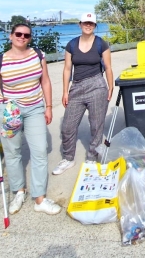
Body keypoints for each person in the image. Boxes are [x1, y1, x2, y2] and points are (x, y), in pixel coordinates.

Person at [0, 23, 61, 216]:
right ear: (10, 36)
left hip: (34, 108)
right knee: (13, 152)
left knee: (40, 150)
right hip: (10, 111)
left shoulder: (38, 55)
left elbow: (45, 81)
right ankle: (19, 191)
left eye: (26, 35)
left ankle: (39, 198)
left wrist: (49, 106)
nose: (22, 37)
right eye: (18, 34)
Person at [52, 12, 114, 175]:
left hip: (97, 85)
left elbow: (108, 67)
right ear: (80, 24)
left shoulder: (102, 44)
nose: (88, 25)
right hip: (77, 87)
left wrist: (110, 87)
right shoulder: (71, 45)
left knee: (96, 125)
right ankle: (68, 158)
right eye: (85, 23)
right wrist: (65, 91)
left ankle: (92, 157)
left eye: (91, 23)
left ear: (94, 26)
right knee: (67, 126)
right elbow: (67, 69)